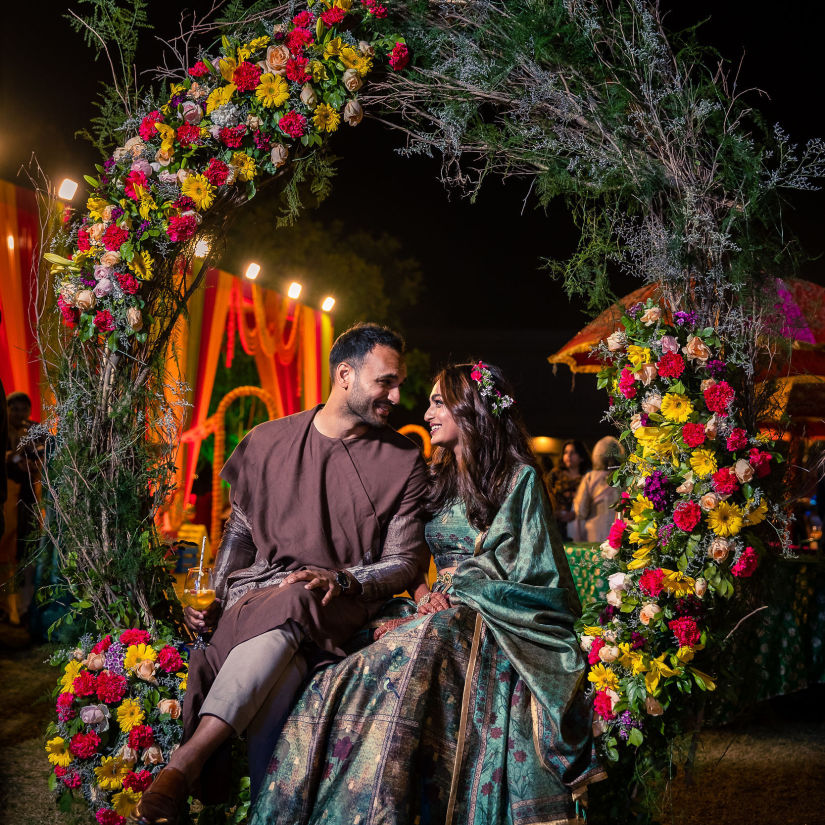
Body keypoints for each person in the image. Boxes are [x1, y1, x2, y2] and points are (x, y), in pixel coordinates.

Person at [251, 362, 603, 825]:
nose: (428, 412)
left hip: (493, 611)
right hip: (433, 604)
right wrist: (421, 594)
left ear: (470, 409)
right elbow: (410, 555)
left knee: (429, 638)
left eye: (439, 402)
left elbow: (531, 566)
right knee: (347, 669)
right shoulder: (433, 478)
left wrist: (454, 593)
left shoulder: (518, 480)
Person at [136, 323, 430, 823]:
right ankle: (265, 813)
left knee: (298, 603)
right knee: (285, 669)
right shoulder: (267, 440)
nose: (397, 396)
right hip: (259, 601)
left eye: (398, 383)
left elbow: (404, 562)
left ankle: (181, 767)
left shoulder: (403, 459)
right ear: (345, 375)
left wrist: (342, 580)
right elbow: (240, 535)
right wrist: (216, 594)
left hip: (337, 606)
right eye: (385, 382)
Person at [573, 435, 625, 543]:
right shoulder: (626, 478)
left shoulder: (590, 478)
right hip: (620, 533)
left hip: (595, 534)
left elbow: (581, 511)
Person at [547, 440, 591, 541]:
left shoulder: (587, 477)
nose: (568, 456)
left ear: (581, 457)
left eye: (573, 452)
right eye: (566, 452)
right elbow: (546, 496)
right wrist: (556, 512)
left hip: (580, 524)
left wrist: (575, 513)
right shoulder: (555, 475)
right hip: (556, 523)